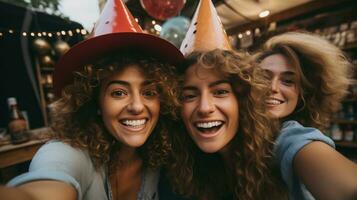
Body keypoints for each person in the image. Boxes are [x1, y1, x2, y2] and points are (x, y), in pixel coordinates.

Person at [0, 0, 184, 200]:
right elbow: (41, 191)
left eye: (148, 92)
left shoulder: (161, 154)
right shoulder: (69, 153)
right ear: (94, 102)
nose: (137, 106)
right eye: (119, 93)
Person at [160, 1, 287, 199]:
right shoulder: (178, 171)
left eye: (220, 92)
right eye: (189, 95)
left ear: (242, 100)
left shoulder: (282, 155)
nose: (204, 108)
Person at [254, 31, 357, 200]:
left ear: (302, 95)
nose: (273, 87)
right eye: (263, 77)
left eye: (288, 81)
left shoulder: (291, 136)